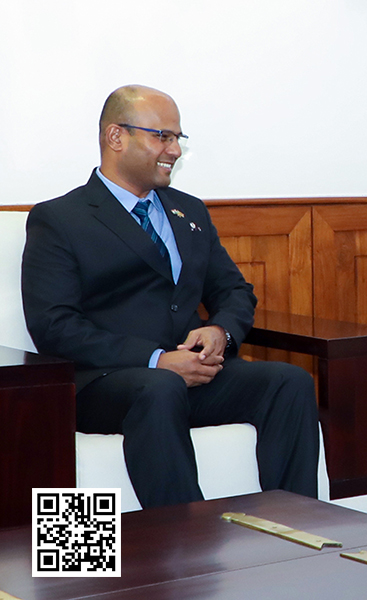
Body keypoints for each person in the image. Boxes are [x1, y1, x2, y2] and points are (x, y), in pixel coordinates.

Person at [21, 85, 319, 509]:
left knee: (289, 382)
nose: (175, 150)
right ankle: (187, 547)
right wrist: (156, 359)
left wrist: (221, 331)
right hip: (107, 383)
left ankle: (296, 526)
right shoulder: (60, 218)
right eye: (163, 136)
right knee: (159, 387)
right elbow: (54, 325)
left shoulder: (189, 211)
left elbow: (234, 290)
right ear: (116, 137)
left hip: (190, 376)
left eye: (178, 138)